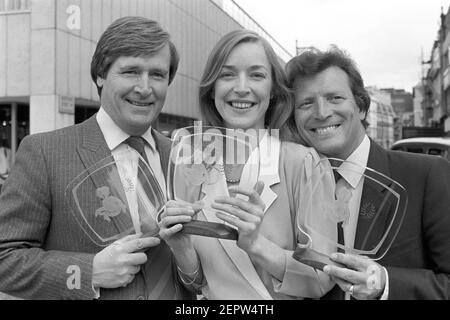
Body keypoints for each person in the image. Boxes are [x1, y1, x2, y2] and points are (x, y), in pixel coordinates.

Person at [0, 16, 194, 300]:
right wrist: (88, 272)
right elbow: (5, 259)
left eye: (157, 74)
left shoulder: (184, 157)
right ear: (101, 75)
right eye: (130, 71)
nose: (144, 87)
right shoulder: (45, 153)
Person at [158, 29, 336, 300]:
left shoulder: (304, 164)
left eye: (256, 74)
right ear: (212, 88)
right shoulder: (191, 164)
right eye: (227, 74)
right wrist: (181, 249)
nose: (241, 87)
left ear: (274, 91)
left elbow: (322, 279)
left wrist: (256, 245)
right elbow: (196, 285)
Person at [285, 46, 450, 300]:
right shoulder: (293, 185)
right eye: (306, 103)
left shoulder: (427, 177)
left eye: (335, 98)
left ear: (361, 108)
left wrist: (385, 284)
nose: (321, 112)